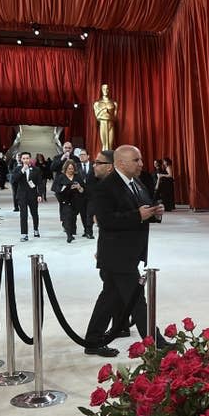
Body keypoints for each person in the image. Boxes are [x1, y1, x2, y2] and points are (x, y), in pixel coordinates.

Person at [83, 145, 164, 357]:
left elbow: (143, 208)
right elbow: (107, 221)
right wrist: (138, 215)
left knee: (109, 297)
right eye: (136, 160)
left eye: (140, 159)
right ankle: (155, 342)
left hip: (128, 251)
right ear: (120, 163)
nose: (141, 164)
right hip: (117, 254)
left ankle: (92, 339)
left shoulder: (135, 182)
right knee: (137, 300)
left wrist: (155, 212)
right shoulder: (106, 187)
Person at [11, 152, 44, 241]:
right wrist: (22, 171)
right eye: (24, 158)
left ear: (30, 159)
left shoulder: (36, 169)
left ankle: (36, 229)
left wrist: (40, 194)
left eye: (27, 158)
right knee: (23, 214)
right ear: (21, 160)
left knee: (34, 213)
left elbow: (40, 183)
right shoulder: (17, 169)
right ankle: (24, 234)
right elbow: (14, 180)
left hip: (33, 195)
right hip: (22, 195)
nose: (26, 160)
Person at [53, 160, 85, 242]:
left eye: (72, 168)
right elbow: (56, 190)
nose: (71, 170)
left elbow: (83, 190)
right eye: (69, 168)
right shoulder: (61, 177)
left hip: (76, 201)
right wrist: (65, 189)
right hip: (65, 201)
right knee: (67, 217)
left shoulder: (77, 177)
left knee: (72, 218)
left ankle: (70, 231)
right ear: (65, 168)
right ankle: (69, 236)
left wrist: (79, 187)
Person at [77, 149, 96, 238]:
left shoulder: (94, 166)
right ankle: (86, 230)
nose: (81, 156)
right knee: (83, 213)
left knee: (90, 213)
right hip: (80, 194)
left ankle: (89, 231)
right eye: (80, 155)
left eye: (83, 154)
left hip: (92, 194)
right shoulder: (76, 166)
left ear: (88, 156)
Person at [93, 84, 118, 150]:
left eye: (107, 89)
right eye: (104, 89)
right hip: (103, 123)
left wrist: (107, 113)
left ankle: (110, 159)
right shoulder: (97, 103)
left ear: (108, 90)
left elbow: (115, 117)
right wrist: (104, 112)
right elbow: (97, 117)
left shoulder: (114, 103)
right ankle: (104, 159)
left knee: (110, 145)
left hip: (111, 124)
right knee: (104, 145)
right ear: (101, 90)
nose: (105, 90)